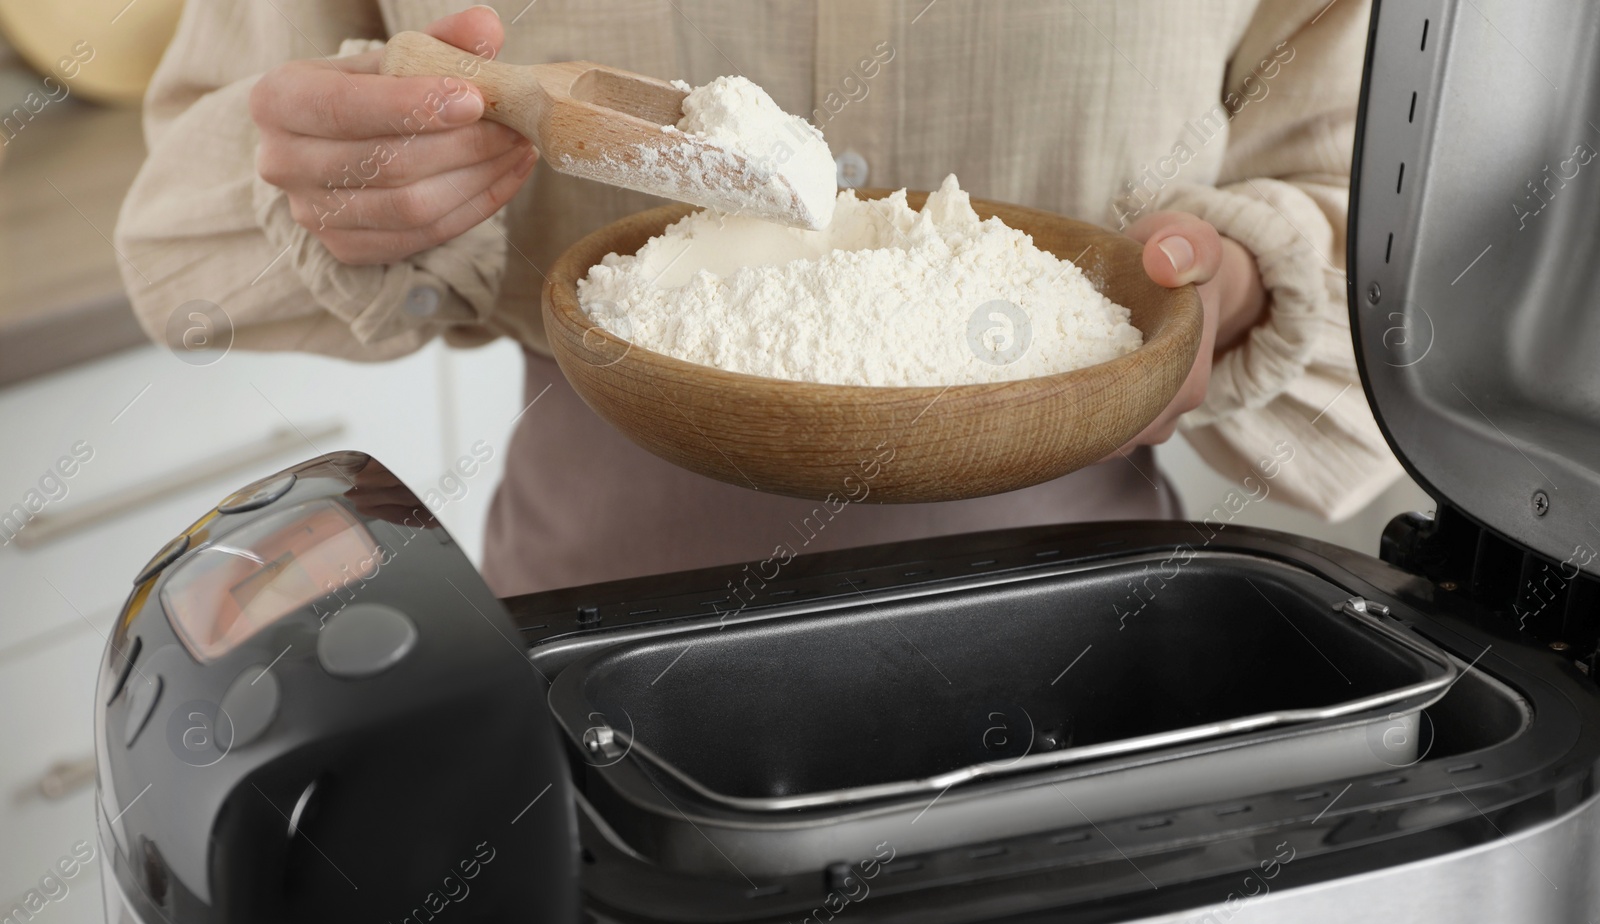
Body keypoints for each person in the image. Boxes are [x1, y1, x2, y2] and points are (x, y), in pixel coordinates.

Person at [116, 1, 1401, 596]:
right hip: (589, 636)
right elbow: (199, 207)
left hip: (1081, 631)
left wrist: (1237, 290)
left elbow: (1381, 181)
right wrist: (343, 175)